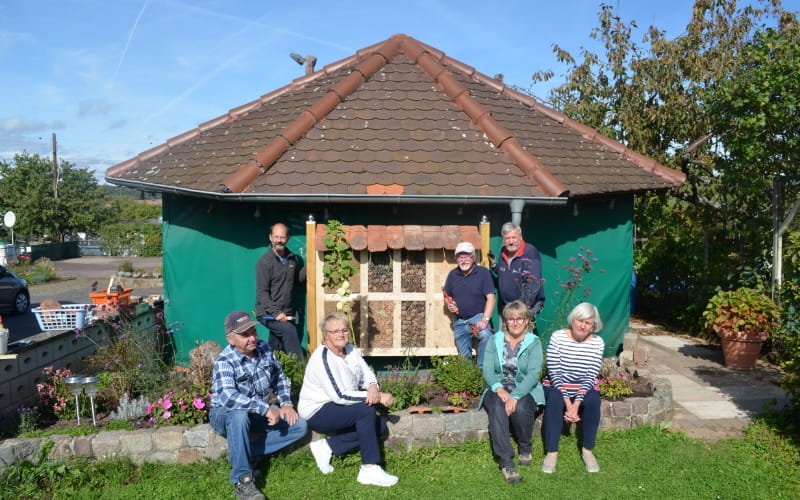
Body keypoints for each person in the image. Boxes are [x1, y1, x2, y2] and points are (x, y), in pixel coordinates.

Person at [210, 310, 308, 500]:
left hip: (257, 413)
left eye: (253, 332)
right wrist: (265, 408)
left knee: (299, 426)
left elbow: (278, 376)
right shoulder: (224, 360)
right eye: (245, 335)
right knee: (239, 415)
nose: (252, 338)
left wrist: (286, 403)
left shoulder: (264, 349)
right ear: (231, 339)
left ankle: (243, 455)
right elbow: (228, 397)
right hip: (225, 414)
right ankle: (243, 482)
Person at [298, 311, 399, 487]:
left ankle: (327, 447)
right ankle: (369, 468)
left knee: (380, 426)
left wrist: (373, 387)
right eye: (335, 331)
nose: (341, 334)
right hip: (317, 411)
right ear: (325, 335)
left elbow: (366, 374)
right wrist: (376, 397)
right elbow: (340, 395)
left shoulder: (350, 350)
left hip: (337, 405)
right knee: (366, 408)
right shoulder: (323, 358)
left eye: (344, 330)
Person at [480, 300, 545, 484]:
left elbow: (533, 374)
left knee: (521, 406)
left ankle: (525, 446)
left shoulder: (534, 342)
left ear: (527, 321)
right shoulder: (495, 340)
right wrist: (499, 389)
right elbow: (488, 371)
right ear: (505, 321)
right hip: (497, 388)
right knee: (497, 407)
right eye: (511, 319)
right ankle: (506, 462)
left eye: (520, 318)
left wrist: (515, 395)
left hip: (525, 388)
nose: (515, 322)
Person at [541, 302, 604, 474]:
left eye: (588, 323)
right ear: (573, 320)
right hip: (555, 384)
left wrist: (577, 403)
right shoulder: (558, 337)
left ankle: (587, 450)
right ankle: (552, 452)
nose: (583, 325)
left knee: (593, 399)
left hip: (581, 387)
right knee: (555, 398)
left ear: (593, 326)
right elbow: (555, 372)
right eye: (580, 320)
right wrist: (569, 403)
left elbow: (591, 375)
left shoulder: (598, 343)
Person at [255, 222, 306, 361]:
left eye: (282, 237)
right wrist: (276, 312)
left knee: (275, 347)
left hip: (286, 312)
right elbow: (262, 293)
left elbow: (296, 280)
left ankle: (269, 371)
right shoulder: (264, 262)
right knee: (288, 330)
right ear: (270, 237)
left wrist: (311, 267)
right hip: (267, 313)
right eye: (276, 237)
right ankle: (300, 370)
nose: (279, 240)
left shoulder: (293, 259)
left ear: (288, 238)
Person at [443, 241, 496, 369]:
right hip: (460, 321)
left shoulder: (483, 273)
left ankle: (483, 371)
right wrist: (450, 304)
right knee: (464, 359)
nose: (464, 260)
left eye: (467, 256)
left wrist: (485, 319)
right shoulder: (452, 275)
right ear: (456, 259)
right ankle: (467, 379)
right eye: (460, 257)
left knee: (485, 335)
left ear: (473, 258)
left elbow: (491, 298)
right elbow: (447, 296)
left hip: (478, 318)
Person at [493, 222, 545, 317]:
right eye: (507, 238)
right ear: (503, 240)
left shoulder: (530, 252)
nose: (511, 241)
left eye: (514, 237)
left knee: (523, 332)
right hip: (507, 308)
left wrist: (522, 308)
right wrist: (494, 266)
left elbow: (533, 282)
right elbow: (505, 273)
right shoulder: (503, 252)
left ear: (520, 237)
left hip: (525, 308)